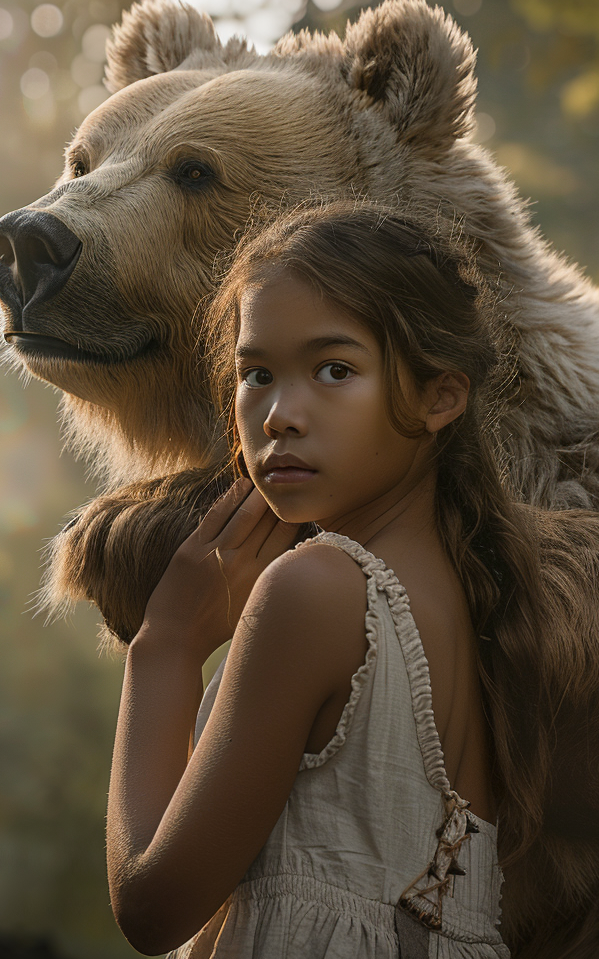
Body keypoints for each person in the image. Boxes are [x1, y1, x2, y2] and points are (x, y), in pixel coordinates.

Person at [105, 201, 534, 958]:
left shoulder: (316, 592)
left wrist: (165, 645)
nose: (277, 416)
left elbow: (153, 907)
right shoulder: (484, 592)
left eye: (334, 370)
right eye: (256, 374)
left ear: (441, 395)